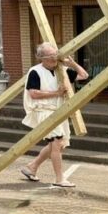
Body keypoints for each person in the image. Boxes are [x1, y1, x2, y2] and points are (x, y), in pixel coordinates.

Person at [20, 42, 88, 187]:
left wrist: (72, 63)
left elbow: (84, 75)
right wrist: (56, 93)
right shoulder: (35, 71)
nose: (54, 58)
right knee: (57, 143)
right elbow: (33, 94)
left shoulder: (61, 70)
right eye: (50, 55)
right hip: (43, 111)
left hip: (59, 112)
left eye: (55, 54)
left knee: (58, 144)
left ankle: (32, 167)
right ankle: (59, 179)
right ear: (41, 58)